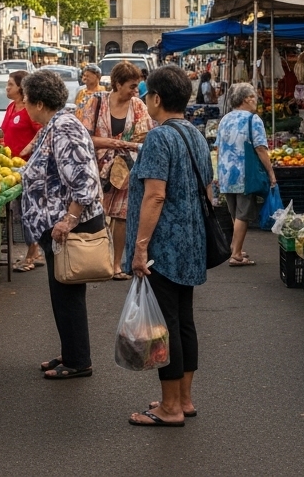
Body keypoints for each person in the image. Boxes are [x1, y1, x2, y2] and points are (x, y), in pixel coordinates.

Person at [125, 66, 211, 426]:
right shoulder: (195, 134)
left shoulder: (160, 138)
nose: (145, 101)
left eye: (147, 95)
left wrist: (141, 247)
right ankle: (184, 399)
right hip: (192, 242)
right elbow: (207, 189)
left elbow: (155, 196)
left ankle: (170, 407)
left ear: (157, 99)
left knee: (166, 325)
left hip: (165, 245)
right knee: (183, 320)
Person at [20, 70, 105, 380]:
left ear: (40, 103)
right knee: (63, 292)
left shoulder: (65, 127)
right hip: (59, 225)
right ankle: (71, 352)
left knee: (68, 293)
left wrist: (68, 219)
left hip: (70, 225)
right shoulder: (54, 125)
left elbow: (86, 180)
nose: (25, 106)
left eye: (27, 100)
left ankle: (79, 361)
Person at [79, 61, 151, 280]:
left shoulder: (138, 105)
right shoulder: (95, 102)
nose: (135, 91)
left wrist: (125, 146)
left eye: (136, 86)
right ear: (117, 84)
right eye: (131, 86)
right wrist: (113, 143)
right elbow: (83, 136)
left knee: (121, 217)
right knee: (95, 215)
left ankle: (116, 264)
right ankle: (93, 261)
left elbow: (145, 134)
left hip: (124, 169)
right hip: (96, 169)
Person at [216, 82, 276, 266]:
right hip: (244, 174)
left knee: (235, 212)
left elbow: (218, 148)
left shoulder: (225, 119)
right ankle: (236, 255)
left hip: (226, 173)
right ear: (245, 99)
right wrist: (271, 173)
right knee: (243, 214)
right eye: (253, 97)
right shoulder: (253, 119)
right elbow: (260, 149)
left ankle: (237, 247)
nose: (255, 101)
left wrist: (218, 173)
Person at [0, 71, 45, 272]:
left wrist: (29, 147)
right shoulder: (11, 107)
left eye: (10, 84)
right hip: (10, 169)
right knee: (18, 211)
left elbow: (43, 130)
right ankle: (34, 251)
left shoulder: (29, 109)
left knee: (29, 210)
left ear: (20, 87)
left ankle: (32, 254)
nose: (7, 88)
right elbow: (4, 132)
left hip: (28, 168)